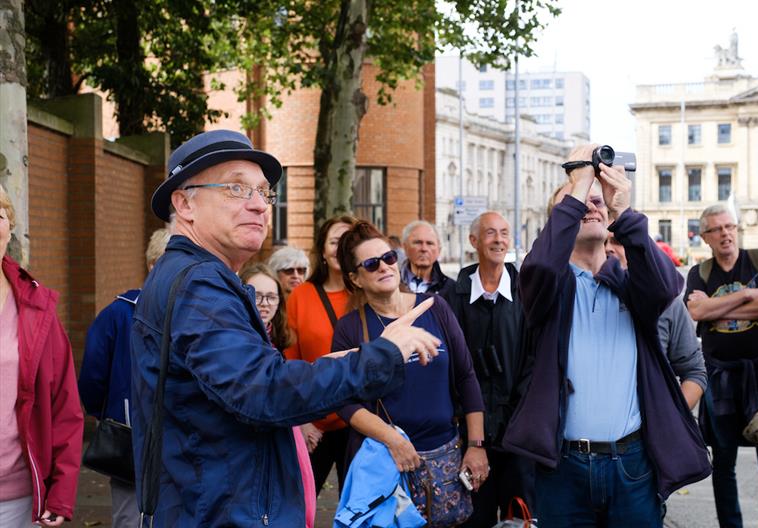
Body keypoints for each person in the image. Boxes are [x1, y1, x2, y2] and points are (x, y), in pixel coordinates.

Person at [131, 130, 441, 525]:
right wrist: (384, 353)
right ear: (184, 203)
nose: (260, 205)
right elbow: (263, 391)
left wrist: (352, 356)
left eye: (264, 192)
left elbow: (245, 382)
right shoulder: (199, 283)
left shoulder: (199, 276)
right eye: (237, 189)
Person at [502, 145, 711, 527]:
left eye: (597, 202)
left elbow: (666, 285)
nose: (589, 207)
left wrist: (624, 212)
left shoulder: (630, 287)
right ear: (560, 222)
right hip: (562, 467)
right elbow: (540, 267)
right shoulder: (547, 288)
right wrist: (579, 183)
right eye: (580, 202)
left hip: (631, 464)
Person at [331, 221, 488, 510]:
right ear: (355, 279)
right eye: (371, 263)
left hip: (445, 455)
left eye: (389, 257)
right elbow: (345, 402)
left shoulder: (434, 307)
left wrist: (476, 445)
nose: (384, 267)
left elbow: (466, 376)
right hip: (385, 460)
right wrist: (393, 440)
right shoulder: (350, 327)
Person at [685, 204, 758, 528]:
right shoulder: (698, 273)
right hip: (720, 375)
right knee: (723, 459)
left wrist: (716, 308)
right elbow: (696, 313)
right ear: (705, 237)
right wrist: (745, 295)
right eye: (717, 229)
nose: (725, 233)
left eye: (730, 226)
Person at [444, 211, 535, 527]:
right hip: (466, 439)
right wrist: (473, 439)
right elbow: (449, 371)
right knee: (473, 520)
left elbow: (534, 365)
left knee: (518, 519)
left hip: (518, 440)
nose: (499, 240)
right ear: (474, 241)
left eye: (504, 233)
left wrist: (518, 424)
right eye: (490, 233)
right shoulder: (451, 299)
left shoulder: (528, 294)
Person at [0, 185, 83, 527]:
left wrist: (61, 492)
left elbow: (65, 405)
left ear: (9, 226)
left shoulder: (36, 309)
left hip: (17, 497)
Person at [78, 227, 170, 527]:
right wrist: (112, 415)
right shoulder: (119, 313)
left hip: (181, 441)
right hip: (132, 440)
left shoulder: (198, 314)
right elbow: (92, 376)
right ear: (153, 265)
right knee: (131, 516)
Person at [285, 215, 357, 494]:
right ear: (323, 250)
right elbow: (290, 363)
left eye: (348, 243)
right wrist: (301, 421)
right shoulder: (301, 296)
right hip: (315, 422)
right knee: (301, 505)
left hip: (361, 422)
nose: (341, 250)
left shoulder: (367, 294)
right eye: (336, 242)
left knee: (361, 514)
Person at [240, 262, 315, 528]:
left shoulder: (275, 338)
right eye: (255, 295)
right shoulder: (237, 338)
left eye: (271, 296)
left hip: (285, 428)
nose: (264, 303)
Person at [605, 233, 707, 409]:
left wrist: (672, 418)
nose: (607, 248)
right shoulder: (577, 298)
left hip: (649, 430)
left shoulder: (668, 303)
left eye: (618, 242)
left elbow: (694, 371)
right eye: (602, 242)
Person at [400, 220, 454, 297]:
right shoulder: (391, 284)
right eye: (417, 242)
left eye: (430, 243)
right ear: (405, 247)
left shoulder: (452, 289)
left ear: (439, 250)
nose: (424, 249)